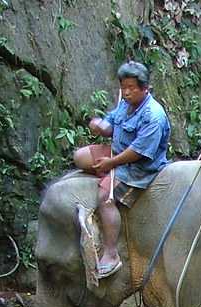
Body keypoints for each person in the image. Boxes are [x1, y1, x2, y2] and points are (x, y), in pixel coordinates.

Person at [73, 61, 171, 279]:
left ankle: (111, 253)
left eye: (131, 88)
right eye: (123, 87)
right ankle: (105, 172)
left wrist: (111, 164)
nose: (126, 93)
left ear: (145, 89)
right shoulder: (125, 104)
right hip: (117, 153)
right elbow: (111, 126)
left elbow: (139, 151)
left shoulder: (153, 115)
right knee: (79, 157)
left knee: (104, 198)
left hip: (139, 167)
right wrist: (100, 125)